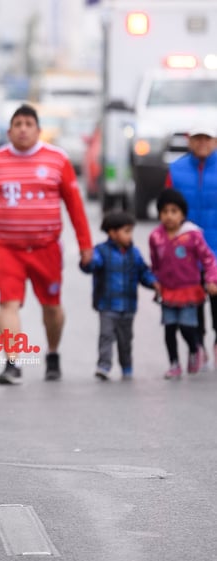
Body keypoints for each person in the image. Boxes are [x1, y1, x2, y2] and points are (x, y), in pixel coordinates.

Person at [0, 104, 93, 385]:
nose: (23, 129)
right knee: (8, 303)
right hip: (9, 248)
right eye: (18, 124)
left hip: (46, 247)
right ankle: (12, 363)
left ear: (39, 130)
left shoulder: (57, 160)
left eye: (29, 124)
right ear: (9, 130)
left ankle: (52, 353)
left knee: (51, 306)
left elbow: (75, 207)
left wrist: (86, 245)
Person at [79, 211, 158, 381]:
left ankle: (126, 366)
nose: (130, 235)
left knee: (125, 339)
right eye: (126, 231)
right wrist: (87, 261)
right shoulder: (101, 251)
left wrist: (154, 283)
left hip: (128, 306)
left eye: (131, 231)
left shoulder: (134, 253)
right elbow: (92, 265)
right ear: (112, 233)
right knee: (106, 336)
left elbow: (143, 272)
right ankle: (104, 366)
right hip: (107, 305)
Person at [149, 189, 217, 379]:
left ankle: (195, 349)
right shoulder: (156, 237)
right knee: (169, 329)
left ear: (182, 214)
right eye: (164, 211)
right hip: (168, 291)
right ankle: (174, 364)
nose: (169, 216)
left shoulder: (193, 236)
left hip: (189, 291)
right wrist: (154, 282)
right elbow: (155, 263)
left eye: (174, 211)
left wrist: (212, 279)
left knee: (187, 327)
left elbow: (208, 259)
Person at [165, 125, 217, 367]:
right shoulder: (176, 170)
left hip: (215, 250)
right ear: (189, 140)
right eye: (198, 138)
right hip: (186, 252)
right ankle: (197, 345)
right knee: (193, 301)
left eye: (207, 138)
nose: (202, 143)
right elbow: (166, 209)